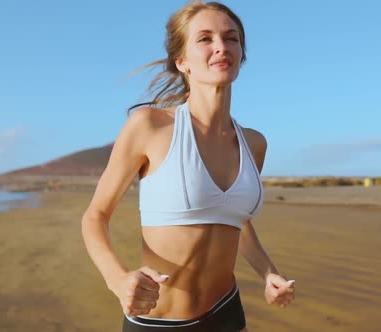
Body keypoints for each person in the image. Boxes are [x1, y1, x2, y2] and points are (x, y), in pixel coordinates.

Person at [81, 1, 295, 331]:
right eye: (205, 38)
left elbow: (235, 220)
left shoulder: (254, 143)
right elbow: (95, 217)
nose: (221, 47)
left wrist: (269, 272)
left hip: (226, 313)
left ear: (242, 55)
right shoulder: (149, 127)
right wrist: (118, 279)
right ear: (182, 61)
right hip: (159, 322)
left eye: (231, 38)